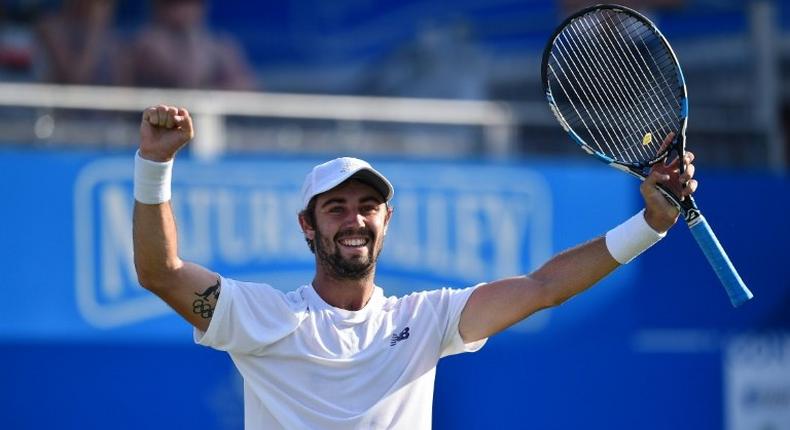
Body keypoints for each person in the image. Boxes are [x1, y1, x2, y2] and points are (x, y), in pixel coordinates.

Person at [132, 105, 697, 429]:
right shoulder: (263, 316)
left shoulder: (427, 319)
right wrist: (154, 165)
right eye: (335, 208)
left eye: (367, 207)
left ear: (387, 220)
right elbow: (160, 271)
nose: (354, 220)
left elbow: (544, 287)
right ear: (308, 226)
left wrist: (648, 225)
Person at [123, 0, 256, 90]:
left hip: (209, 123)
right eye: (175, 4)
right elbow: (186, 79)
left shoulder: (221, 45)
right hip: (156, 125)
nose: (184, 11)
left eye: (192, 3)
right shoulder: (143, 43)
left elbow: (246, 88)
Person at [36, 0, 121, 85]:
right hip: (58, 96)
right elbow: (76, 79)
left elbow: (122, 90)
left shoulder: (116, 40)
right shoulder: (50, 27)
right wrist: (97, 29)